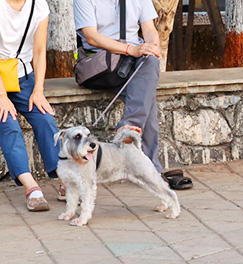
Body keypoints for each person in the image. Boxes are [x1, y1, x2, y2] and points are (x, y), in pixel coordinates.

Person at [73, 0, 192, 190]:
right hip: (100, 64)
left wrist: (152, 47)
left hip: (134, 63)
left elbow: (149, 29)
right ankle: (152, 169)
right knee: (146, 99)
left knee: (151, 65)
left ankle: (130, 129)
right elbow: (91, 37)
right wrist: (132, 50)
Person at [0, 0, 59, 211]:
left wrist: (38, 90)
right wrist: (2, 96)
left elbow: (40, 50)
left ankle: (62, 176)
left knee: (45, 119)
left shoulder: (38, 6)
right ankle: (31, 187)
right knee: (8, 122)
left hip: (24, 79)